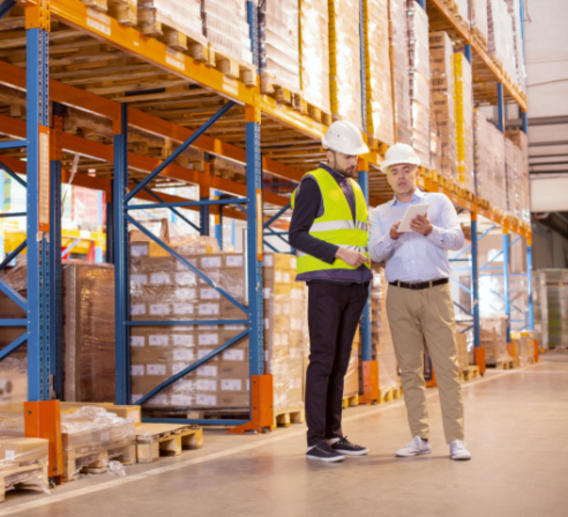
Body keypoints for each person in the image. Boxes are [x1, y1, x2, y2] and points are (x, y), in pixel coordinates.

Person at [369, 142, 471, 461]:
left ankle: (455, 439)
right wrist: (392, 237)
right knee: (410, 369)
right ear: (388, 176)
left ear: (417, 172)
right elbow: (374, 254)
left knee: (447, 366)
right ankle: (419, 436)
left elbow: (457, 239)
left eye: (406, 170)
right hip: (398, 295)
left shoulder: (438, 203)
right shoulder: (380, 214)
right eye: (395, 171)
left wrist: (430, 230)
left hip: (435, 292)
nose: (401, 176)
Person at [289, 120, 372, 463]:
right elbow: (297, 235)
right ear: (330, 152)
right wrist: (338, 252)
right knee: (322, 359)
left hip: (356, 283)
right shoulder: (313, 183)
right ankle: (314, 440)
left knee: (339, 362)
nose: (354, 162)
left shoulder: (354, 187)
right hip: (325, 283)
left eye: (355, 156)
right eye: (348, 155)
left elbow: (357, 234)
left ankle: (334, 435)